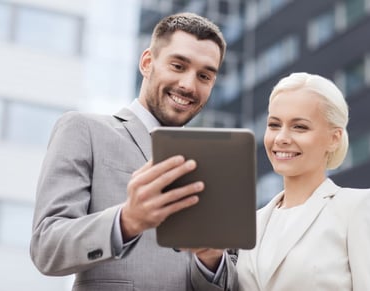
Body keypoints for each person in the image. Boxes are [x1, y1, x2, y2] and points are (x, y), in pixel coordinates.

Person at [30, 12, 238, 291]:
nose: (189, 85)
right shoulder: (84, 130)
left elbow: (233, 282)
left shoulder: (221, 167)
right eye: (178, 66)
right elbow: (47, 247)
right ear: (147, 63)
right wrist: (126, 220)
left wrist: (211, 259)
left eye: (204, 75)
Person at [236, 72, 370, 290]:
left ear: (334, 138)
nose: (281, 138)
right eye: (274, 125)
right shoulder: (251, 224)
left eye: (299, 127)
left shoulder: (357, 209)